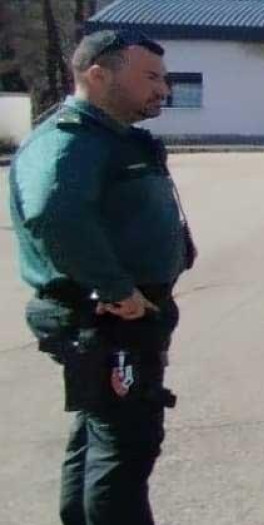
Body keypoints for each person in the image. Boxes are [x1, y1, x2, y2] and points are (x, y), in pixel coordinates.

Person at [9, 29, 195, 525]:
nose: (164, 89)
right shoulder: (70, 141)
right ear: (98, 75)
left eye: (165, 77)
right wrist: (116, 288)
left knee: (99, 435)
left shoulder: (114, 139)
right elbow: (53, 213)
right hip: (106, 318)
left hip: (124, 316)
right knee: (125, 450)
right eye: (150, 77)